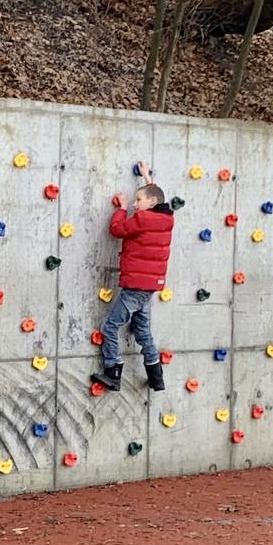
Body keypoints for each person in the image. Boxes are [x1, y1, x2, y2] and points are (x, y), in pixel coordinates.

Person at [91, 161, 174, 393]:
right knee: (143, 331)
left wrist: (122, 208)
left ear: (151, 203)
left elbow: (117, 230)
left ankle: (112, 371)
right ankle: (156, 375)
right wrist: (147, 178)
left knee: (110, 326)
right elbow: (159, 198)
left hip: (135, 287)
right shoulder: (166, 220)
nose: (136, 204)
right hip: (149, 286)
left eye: (139, 200)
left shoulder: (142, 219)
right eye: (135, 201)